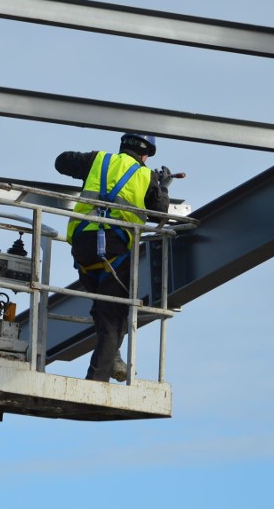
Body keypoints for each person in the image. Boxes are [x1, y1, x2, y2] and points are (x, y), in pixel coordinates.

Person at [54, 133, 172, 382]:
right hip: (114, 251)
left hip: (83, 246)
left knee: (102, 309)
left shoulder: (99, 160)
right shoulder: (145, 176)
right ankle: (95, 381)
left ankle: (112, 361)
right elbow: (159, 214)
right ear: (145, 155)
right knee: (113, 319)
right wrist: (162, 186)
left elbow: (61, 162)